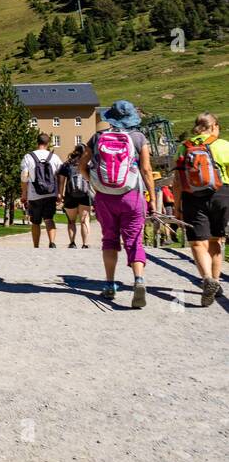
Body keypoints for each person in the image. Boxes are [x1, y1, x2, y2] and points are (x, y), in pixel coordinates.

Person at [83, 101, 156, 307]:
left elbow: (82, 165)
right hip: (132, 195)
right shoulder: (139, 138)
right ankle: (139, 280)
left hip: (105, 196)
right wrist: (151, 198)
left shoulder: (97, 137)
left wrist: (94, 182)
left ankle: (109, 284)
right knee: (134, 240)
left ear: (111, 118)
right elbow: (147, 170)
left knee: (109, 239)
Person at [172, 112, 228, 308]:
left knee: (197, 242)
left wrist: (177, 206)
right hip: (221, 194)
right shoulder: (223, 145)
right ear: (214, 126)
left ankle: (207, 279)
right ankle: (216, 280)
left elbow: (177, 182)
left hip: (192, 197)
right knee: (216, 239)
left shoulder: (183, 147)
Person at [20, 133, 62, 248]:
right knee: (49, 218)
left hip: (34, 194)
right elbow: (61, 175)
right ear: (48, 143)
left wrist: (24, 193)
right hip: (50, 193)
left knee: (35, 221)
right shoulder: (54, 157)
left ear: (37, 142)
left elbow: (24, 175)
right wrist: (60, 192)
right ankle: (52, 242)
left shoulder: (28, 157)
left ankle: (36, 246)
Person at [56, 144, 94, 248]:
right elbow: (93, 180)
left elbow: (61, 181)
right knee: (84, 220)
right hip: (85, 195)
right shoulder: (88, 164)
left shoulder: (67, 164)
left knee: (71, 221)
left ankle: (72, 243)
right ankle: (85, 244)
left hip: (70, 195)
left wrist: (60, 194)